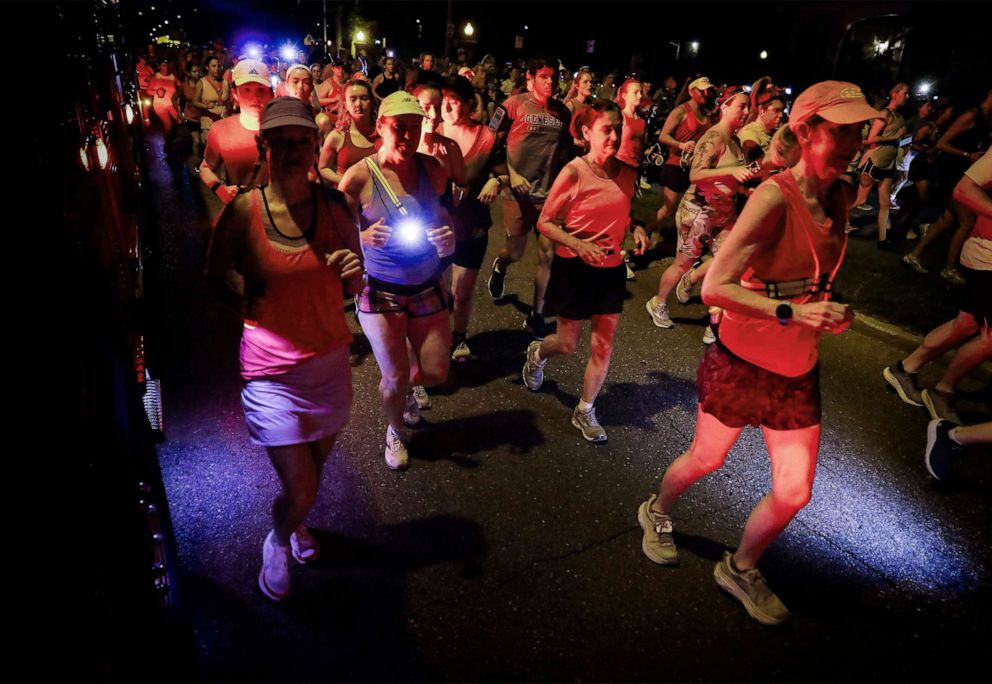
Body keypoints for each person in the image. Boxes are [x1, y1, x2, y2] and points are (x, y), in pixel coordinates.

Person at [637, 81, 881, 626]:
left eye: (858, 130)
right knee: (707, 459)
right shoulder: (775, 196)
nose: (852, 141)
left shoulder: (840, 195)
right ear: (805, 131)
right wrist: (794, 311)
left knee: (795, 491)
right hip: (742, 361)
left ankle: (740, 566)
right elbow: (714, 288)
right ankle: (655, 510)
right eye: (839, 130)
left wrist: (825, 307)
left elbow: (806, 278)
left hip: (797, 371)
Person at [205, 97, 364, 601]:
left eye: (303, 141)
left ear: (316, 147)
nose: (293, 151)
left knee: (311, 477)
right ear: (263, 147)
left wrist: (354, 278)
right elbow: (212, 281)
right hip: (270, 372)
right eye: (281, 142)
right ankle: (277, 539)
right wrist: (252, 314)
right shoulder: (242, 213)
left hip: (329, 366)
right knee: (301, 486)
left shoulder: (335, 209)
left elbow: (355, 283)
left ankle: (296, 526)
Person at [338, 91, 456, 470]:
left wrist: (447, 237)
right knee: (393, 377)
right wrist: (360, 237)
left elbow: (444, 219)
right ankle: (394, 430)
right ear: (380, 128)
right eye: (398, 128)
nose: (407, 136)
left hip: (426, 285)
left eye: (414, 127)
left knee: (437, 371)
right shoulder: (358, 177)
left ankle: (405, 384)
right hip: (380, 290)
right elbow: (333, 236)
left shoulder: (433, 170)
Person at [521, 100, 649, 442]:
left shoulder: (627, 173)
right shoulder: (575, 172)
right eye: (606, 129)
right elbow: (545, 222)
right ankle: (537, 353)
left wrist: (636, 228)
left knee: (603, 347)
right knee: (566, 344)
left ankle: (585, 410)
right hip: (575, 269)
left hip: (610, 270)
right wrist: (578, 245)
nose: (614, 135)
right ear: (587, 133)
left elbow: (622, 210)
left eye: (617, 128)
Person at [883, 149, 991, 425]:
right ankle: (943, 390)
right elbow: (965, 189)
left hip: (985, 255)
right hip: (986, 255)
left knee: (966, 324)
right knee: (986, 336)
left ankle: (906, 369)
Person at [646, 86, 754, 339]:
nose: (747, 112)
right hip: (699, 212)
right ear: (725, 107)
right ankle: (658, 302)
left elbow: (734, 175)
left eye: (748, 107)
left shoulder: (735, 140)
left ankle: (714, 322)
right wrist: (731, 173)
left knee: (729, 265)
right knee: (681, 264)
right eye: (741, 106)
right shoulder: (713, 137)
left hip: (725, 213)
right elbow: (696, 175)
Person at [486, 56, 573, 339]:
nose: (550, 82)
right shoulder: (512, 106)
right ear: (530, 78)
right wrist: (510, 174)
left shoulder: (562, 113)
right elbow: (490, 143)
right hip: (518, 194)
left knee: (548, 254)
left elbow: (565, 152)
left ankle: (536, 315)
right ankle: (500, 266)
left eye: (554, 77)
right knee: (516, 252)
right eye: (544, 76)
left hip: (549, 195)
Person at [440, 75, 503, 361]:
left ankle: (459, 336)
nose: (447, 109)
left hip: (471, 226)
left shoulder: (487, 138)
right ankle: (435, 335)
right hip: (435, 227)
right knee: (437, 289)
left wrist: (496, 182)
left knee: (461, 290)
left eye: (453, 103)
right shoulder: (432, 132)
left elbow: (502, 172)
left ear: (468, 104)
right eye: (443, 102)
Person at [200, 59, 274, 206]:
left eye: (260, 90)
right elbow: (205, 167)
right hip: (242, 211)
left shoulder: (282, 128)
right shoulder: (221, 130)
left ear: (270, 94)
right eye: (247, 90)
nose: (255, 97)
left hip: (281, 216)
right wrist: (220, 189)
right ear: (235, 94)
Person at [652, 76, 718, 235]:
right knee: (668, 210)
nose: (706, 94)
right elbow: (663, 136)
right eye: (702, 91)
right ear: (692, 91)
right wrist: (681, 145)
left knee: (695, 208)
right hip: (675, 165)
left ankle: (687, 244)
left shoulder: (706, 114)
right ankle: (645, 232)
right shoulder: (681, 111)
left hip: (693, 168)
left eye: (708, 91)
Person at [852, 82, 909, 247]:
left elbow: (900, 138)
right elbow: (871, 139)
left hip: (888, 164)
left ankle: (883, 239)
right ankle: (836, 222)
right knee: (860, 199)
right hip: (874, 162)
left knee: (884, 204)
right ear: (895, 94)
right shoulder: (885, 113)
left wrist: (906, 142)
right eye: (905, 93)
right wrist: (895, 137)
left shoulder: (901, 117)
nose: (907, 97)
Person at [318, 80, 378, 187]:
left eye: (364, 98)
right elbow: (323, 167)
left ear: (372, 102)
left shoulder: (382, 134)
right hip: (346, 198)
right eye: (353, 99)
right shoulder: (337, 136)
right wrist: (345, 180)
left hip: (377, 199)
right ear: (345, 104)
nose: (358, 104)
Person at [193, 55, 230, 143]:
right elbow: (194, 101)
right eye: (213, 66)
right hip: (208, 123)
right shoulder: (202, 83)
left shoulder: (225, 82)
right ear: (207, 67)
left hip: (223, 122)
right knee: (211, 152)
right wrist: (206, 106)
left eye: (218, 66)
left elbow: (229, 101)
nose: (217, 68)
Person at [147, 60, 180, 154]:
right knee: (168, 125)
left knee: (178, 121)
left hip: (171, 104)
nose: (166, 68)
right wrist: (156, 92)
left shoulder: (172, 77)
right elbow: (148, 91)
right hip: (160, 105)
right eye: (164, 65)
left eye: (167, 65)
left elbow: (181, 86)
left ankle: (171, 140)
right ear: (159, 67)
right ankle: (168, 145)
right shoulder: (156, 78)